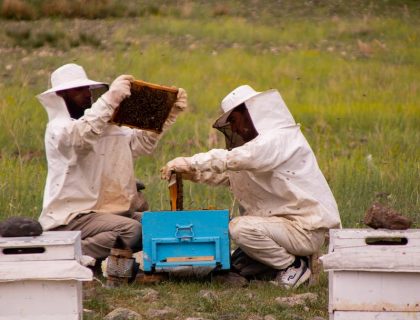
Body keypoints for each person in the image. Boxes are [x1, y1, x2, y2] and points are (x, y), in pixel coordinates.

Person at [161, 85, 341, 288]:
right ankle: (293, 263)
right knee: (238, 263)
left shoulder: (279, 140)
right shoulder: (260, 149)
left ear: (251, 114)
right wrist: (192, 173)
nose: (235, 129)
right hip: (283, 228)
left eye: (234, 121)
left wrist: (192, 161)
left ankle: (293, 266)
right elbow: (234, 176)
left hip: (304, 228)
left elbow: (241, 158)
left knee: (240, 228)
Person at [37, 63, 187, 262]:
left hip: (105, 212)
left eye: (87, 89)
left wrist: (165, 114)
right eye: (78, 90)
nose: (87, 94)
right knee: (131, 230)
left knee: (157, 226)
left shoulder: (106, 127)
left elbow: (140, 144)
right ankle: (61, 255)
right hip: (71, 217)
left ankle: (84, 255)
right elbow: (81, 137)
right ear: (61, 96)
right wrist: (110, 99)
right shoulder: (59, 130)